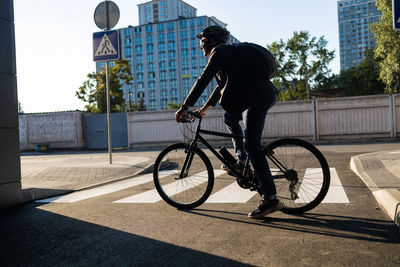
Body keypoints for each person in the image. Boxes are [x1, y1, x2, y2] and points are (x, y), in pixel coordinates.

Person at [175, 25, 283, 219]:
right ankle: (241, 159)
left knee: (252, 145)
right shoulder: (229, 56)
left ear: (209, 41)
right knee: (229, 117)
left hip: (258, 99)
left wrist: (184, 107)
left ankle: (270, 198)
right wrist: (204, 110)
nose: (200, 46)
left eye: (202, 41)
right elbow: (219, 88)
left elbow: (203, 80)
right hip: (258, 96)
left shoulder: (219, 53)